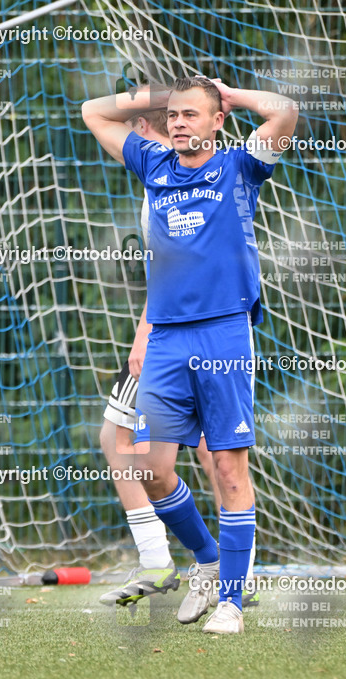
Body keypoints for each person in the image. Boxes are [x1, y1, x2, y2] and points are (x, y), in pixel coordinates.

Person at [82, 75, 297, 633]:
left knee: (227, 467)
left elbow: (285, 113)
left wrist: (232, 95)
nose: (178, 123)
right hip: (167, 338)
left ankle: (231, 600)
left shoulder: (239, 168)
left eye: (191, 115)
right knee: (148, 465)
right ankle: (204, 559)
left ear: (217, 121)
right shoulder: (154, 165)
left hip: (223, 332)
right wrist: (160, 96)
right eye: (173, 116)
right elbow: (93, 112)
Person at [97, 110, 223, 607]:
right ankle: (159, 560)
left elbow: (184, 265)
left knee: (215, 452)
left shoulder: (184, 178)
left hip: (196, 330)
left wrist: (146, 330)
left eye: (135, 130)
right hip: (168, 325)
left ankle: (227, 572)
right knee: (117, 437)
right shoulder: (160, 177)